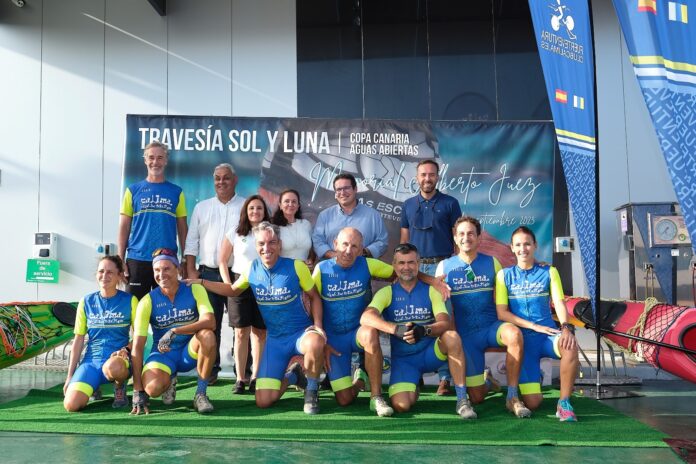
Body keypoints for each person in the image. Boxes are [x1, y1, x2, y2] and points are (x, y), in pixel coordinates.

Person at [192, 222, 326, 415]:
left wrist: (318, 326)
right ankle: (294, 376)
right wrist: (202, 282)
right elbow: (232, 289)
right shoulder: (251, 269)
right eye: (261, 244)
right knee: (263, 401)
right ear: (256, 246)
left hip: (300, 335)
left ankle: (312, 391)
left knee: (315, 341)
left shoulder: (296, 266)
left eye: (272, 243)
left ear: (279, 244)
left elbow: (314, 296)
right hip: (275, 341)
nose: (266, 248)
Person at [360, 243, 477, 419]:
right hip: (405, 361)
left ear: (419, 264)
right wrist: (395, 329)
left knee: (451, 337)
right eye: (401, 263)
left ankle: (462, 400)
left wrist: (424, 330)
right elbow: (366, 318)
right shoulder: (386, 292)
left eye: (411, 262)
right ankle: (414, 384)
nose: (406, 267)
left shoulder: (431, 290)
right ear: (394, 265)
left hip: (430, 354)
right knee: (401, 406)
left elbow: (445, 323)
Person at [436, 216, 531, 418]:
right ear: (455, 238)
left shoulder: (492, 262)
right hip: (467, 338)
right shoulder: (444, 267)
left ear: (479, 237)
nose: (466, 237)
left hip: (491, 328)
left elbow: (509, 292)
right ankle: (487, 381)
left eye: (471, 233)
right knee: (477, 397)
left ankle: (512, 397)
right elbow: (440, 309)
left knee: (514, 334)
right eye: (461, 233)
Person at [495, 226, 580, 422]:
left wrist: (566, 328)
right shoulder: (504, 276)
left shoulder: (549, 271)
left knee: (570, 345)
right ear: (511, 248)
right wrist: (533, 326)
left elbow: (559, 302)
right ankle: (532, 380)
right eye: (518, 244)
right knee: (533, 402)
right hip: (524, 343)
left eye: (527, 244)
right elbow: (502, 313)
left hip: (548, 336)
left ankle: (564, 403)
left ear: (535, 245)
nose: (522, 248)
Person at [312, 227, 394, 417]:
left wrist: (433, 282)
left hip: (357, 333)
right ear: (335, 245)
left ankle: (376, 397)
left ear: (361, 249)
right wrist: (320, 341)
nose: (348, 251)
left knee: (370, 331)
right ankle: (360, 381)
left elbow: (403, 273)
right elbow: (311, 304)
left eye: (354, 246)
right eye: (345, 244)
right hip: (334, 341)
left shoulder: (368, 264)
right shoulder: (321, 269)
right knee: (344, 399)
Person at [130, 248, 217, 415]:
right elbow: (138, 346)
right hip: (163, 354)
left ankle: (200, 394)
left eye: (167, 268)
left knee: (207, 335)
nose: (161, 274)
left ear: (178, 269)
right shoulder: (147, 301)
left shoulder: (194, 289)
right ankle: (169, 379)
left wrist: (175, 330)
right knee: (153, 389)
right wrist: (137, 390)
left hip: (188, 352)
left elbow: (210, 321)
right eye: (157, 270)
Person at [400, 159, 461, 395]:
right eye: (423, 174)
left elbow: (457, 240)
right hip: (414, 270)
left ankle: (446, 378)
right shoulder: (407, 205)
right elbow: (404, 241)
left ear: (438, 177)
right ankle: (414, 374)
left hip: (441, 269)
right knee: (414, 320)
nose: (427, 178)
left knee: (443, 322)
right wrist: (402, 270)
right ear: (417, 178)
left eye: (432, 174)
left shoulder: (450, 203)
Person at [184, 163, 245, 384]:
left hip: (236, 274)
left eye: (226, 178)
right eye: (217, 178)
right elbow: (191, 242)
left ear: (235, 180)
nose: (221, 182)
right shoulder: (202, 208)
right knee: (211, 323)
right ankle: (211, 370)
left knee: (241, 325)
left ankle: (243, 371)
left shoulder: (246, 206)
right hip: (207, 274)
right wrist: (191, 271)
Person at [63, 256, 137, 412]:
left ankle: (119, 387)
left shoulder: (130, 300)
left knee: (114, 367)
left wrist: (127, 350)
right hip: (91, 361)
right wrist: (70, 375)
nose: (105, 276)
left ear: (119, 276)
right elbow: (78, 340)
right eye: (101, 271)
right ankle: (93, 385)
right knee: (71, 405)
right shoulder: (86, 301)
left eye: (110, 272)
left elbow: (140, 336)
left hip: (118, 361)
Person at [118, 141, 188, 300]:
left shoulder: (177, 192)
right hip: (137, 259)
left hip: (167, 259)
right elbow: (124, 226)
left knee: (165, 311)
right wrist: (120, 259)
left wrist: (185, 259)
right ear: (145, 160)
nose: (155, 162)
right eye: (151, 157)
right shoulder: (132, 191)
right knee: (135, 312)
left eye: (159, 158)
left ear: (166, 160)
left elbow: (183, 229)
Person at [218, 195, 270, 394]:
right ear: (245, 212)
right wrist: (228, 284)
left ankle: (256, 376)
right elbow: (222, 260)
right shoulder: (235, 232)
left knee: (260, 332)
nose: (255, 212)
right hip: (239, 283)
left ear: (264, 211)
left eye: (259, 208)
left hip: (264, 284)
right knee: (240, 333)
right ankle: (240, 378)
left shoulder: (270, 232)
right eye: (251, 208)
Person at [312, 173, 388, 260]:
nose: (343, 192)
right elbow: (317, 240)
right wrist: (333, 255)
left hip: (362, 268)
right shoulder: (324, 216)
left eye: (346, 188)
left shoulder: (373, 215)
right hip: (331, 268)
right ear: (335, 193)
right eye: (339, 189)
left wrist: (363, 252)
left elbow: (382, 242)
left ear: (355, 189)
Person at [271, 188, 314, 266]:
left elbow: (311, 250)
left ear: (298, 206)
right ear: (280, 205)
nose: (290, 204)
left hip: (304, 272)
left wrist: (310, 260)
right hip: (283, 272)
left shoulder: (306, 224)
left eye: (294, 201)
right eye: (286, 201)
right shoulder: (273, 226)